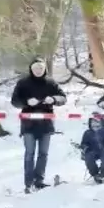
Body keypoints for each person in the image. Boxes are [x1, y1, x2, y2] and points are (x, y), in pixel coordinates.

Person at [10, 57, 67, 193]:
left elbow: (63, 97)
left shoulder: (50, 82)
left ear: (44, 69)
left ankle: (39, 180)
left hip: (46, 124)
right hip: (28, 124)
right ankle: (28, 183)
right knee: (29, 153)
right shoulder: (23, 83)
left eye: (41, 68)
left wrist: (53, 99)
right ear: (31, 69)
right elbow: (15, 101)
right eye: (36, 68)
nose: (38, 70)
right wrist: (26, 102)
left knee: (43, 153)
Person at [80, 116, 104, 183]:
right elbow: (83, 143)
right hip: (93, 151)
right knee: (88, 157)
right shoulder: (87, 133)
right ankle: (95, 174)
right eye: (93, 122)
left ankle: (103, 174)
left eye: (97, 122)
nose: (95, 124)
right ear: (90, 123)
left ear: (101, 122)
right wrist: (84, 147)